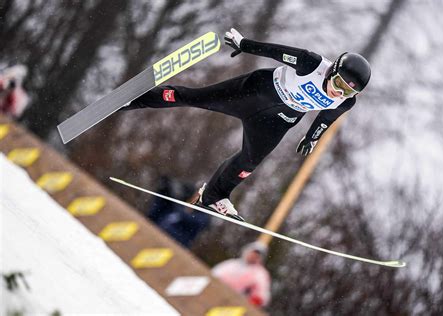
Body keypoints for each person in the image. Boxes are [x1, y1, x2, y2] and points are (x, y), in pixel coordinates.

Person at [123, 28, 371, 221]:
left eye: (347, 93)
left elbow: (325, 119)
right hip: (254, 93)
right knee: (193, 97)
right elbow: (274, 50)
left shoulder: (344, 103)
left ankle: (213, 196)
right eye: (338, 84)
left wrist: (312, 138)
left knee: (250, 162)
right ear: (332, 71)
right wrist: (244, 44)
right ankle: (134, 100)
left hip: (277, 120)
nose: (338, 93)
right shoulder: (311, 63)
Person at [147, 176, 210, 248]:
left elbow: (187, 218)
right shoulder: (179, 205)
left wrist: (175, 199)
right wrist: (164, 192)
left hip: (172, 247)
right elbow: (154, 213)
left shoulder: (203, 217)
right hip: (153, 235)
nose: (197, 197)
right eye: (197, 193)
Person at [212, 242, 271, 307]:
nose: (253, 256)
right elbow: (214, 274)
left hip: (235, 305)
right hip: (215, 294)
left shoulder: (260, 274)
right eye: (253, 253)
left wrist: (255, 300)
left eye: (257, 255)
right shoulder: (231, 264)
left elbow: (262, 294)